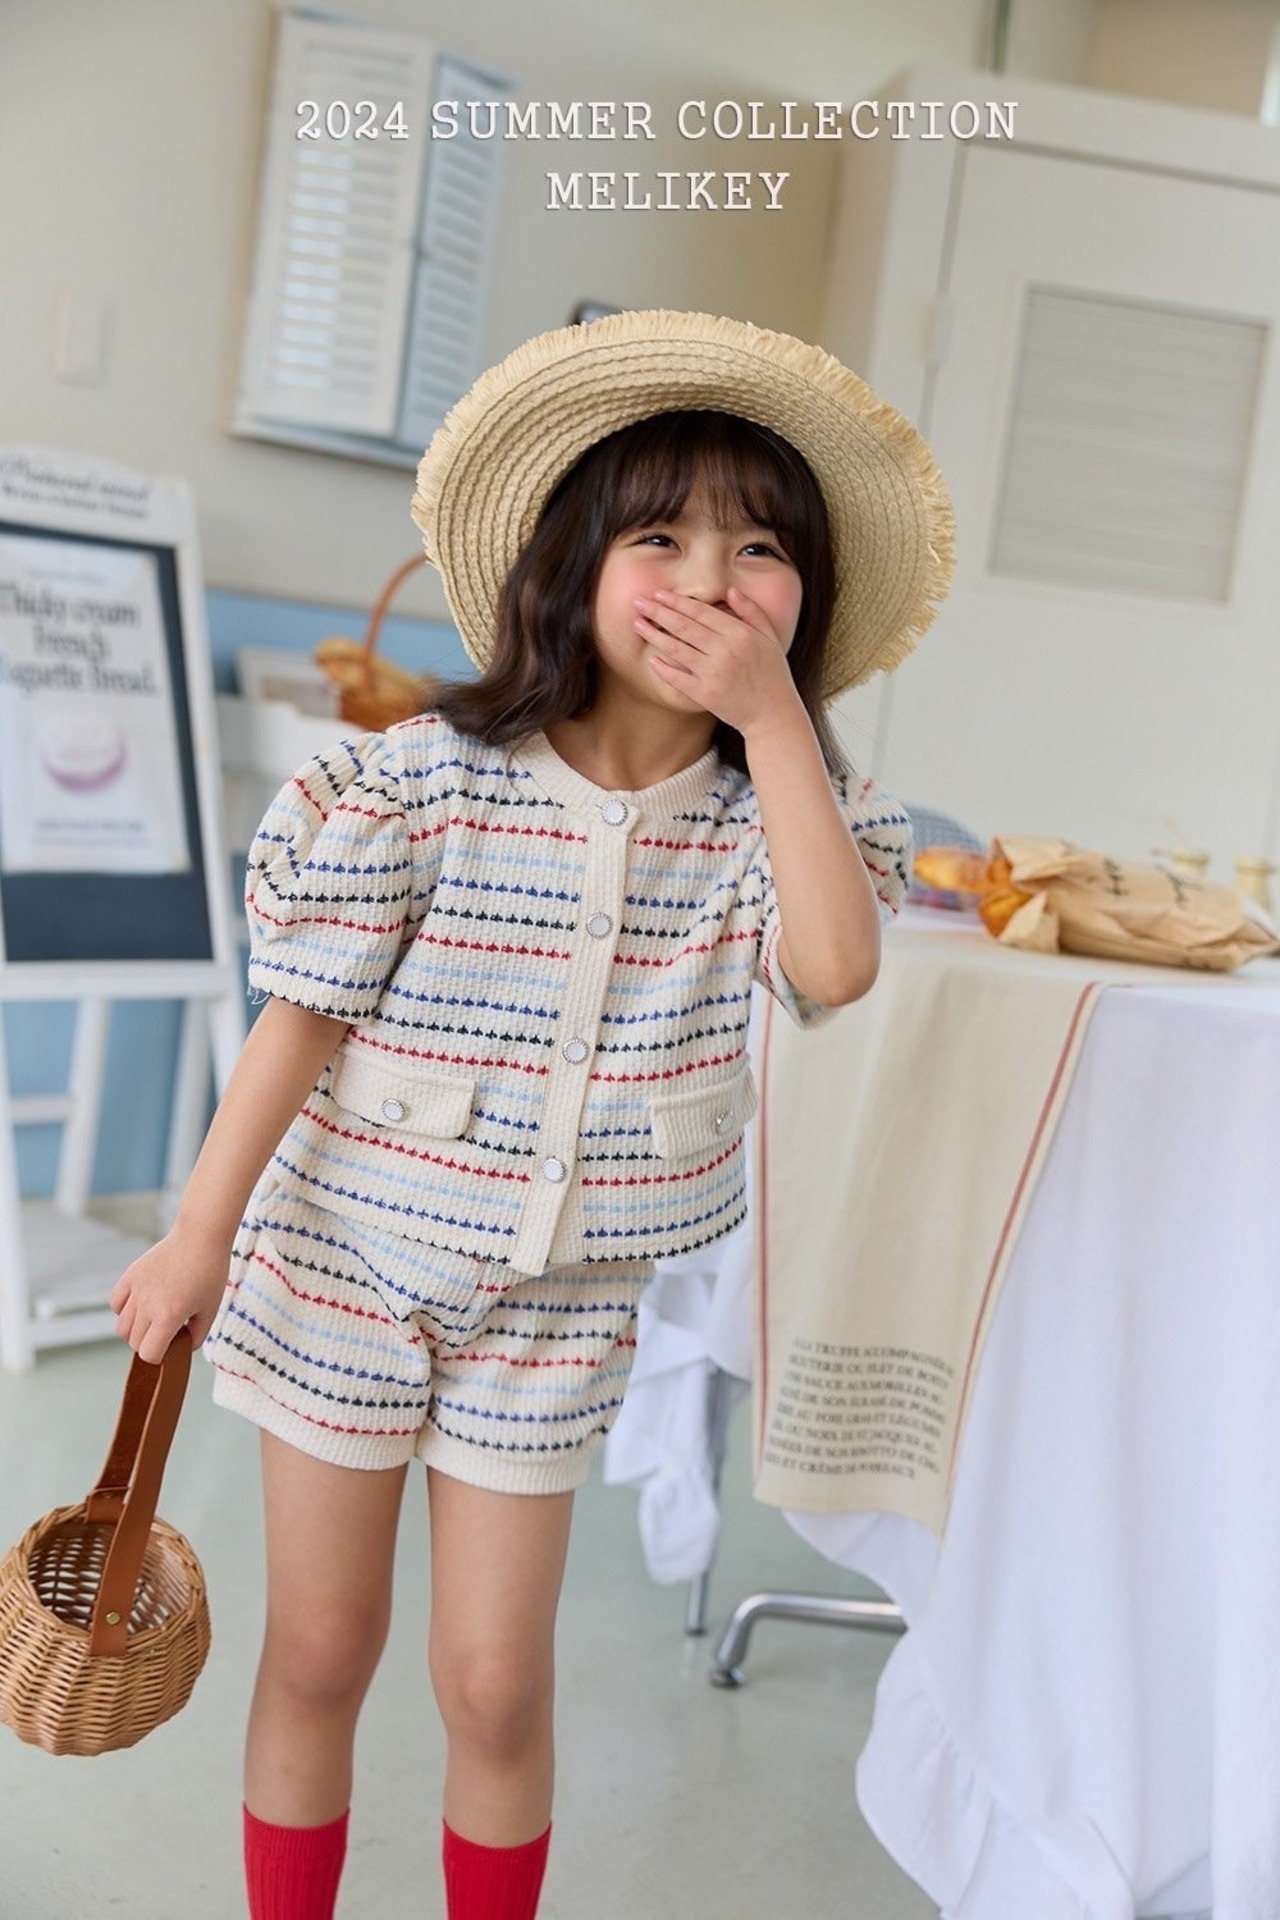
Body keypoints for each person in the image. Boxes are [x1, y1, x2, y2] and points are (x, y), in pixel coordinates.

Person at [109, 309, 953, 1920]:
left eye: (760, 549)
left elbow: (837, 968)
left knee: (497, 1685)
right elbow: (304, 1017)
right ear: (575, 568)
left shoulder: (782, 815)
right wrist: (198, 1236)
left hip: (556, 1309)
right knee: (322, 1652)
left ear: (809, 600)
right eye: (660, 537)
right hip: (343, 1267)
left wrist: (776, 721)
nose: (712, 580)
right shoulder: (428, 780)